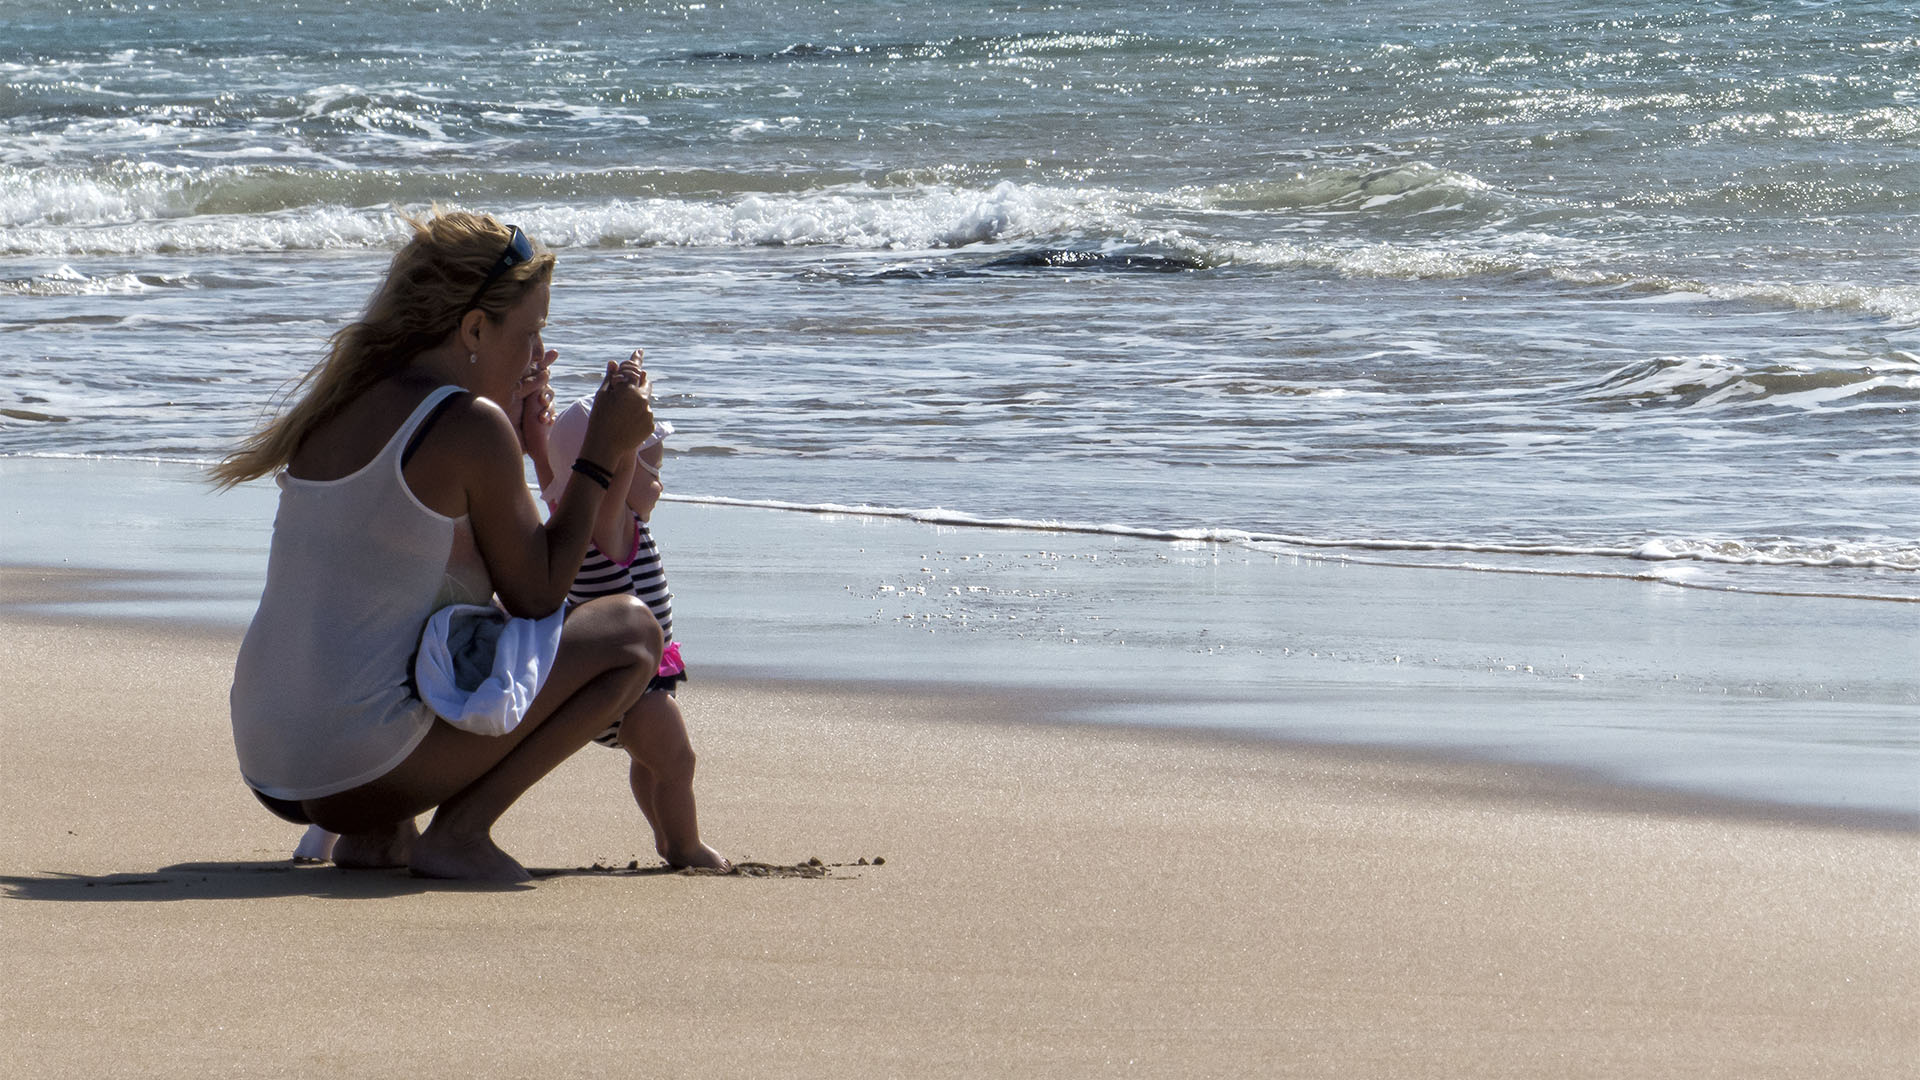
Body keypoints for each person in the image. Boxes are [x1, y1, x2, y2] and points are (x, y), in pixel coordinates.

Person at [216, 210, 671, 884]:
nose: (534, 356)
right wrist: (602, 456)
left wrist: (519, 443)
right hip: (356, 761)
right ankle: (459, 833)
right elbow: (539, 595)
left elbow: (408, 576)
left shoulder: (342, 401)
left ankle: (376, 833)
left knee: (421, 631)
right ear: (474, 328)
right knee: (631, 633)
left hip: (269, 756)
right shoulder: (466, 425)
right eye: (529, 334)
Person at [528, 394, 726, 870]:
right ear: (616, 464)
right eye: (650, 465)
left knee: (651, 763)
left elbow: (557, 474)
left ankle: (664, 834)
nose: (659, 480)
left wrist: (539, 440)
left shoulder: (569, 516)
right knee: (678, 763)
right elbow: (605, 478)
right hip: (638, 687)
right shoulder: (609, 526)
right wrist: (617, 435)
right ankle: (685, 845)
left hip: (613, 687)